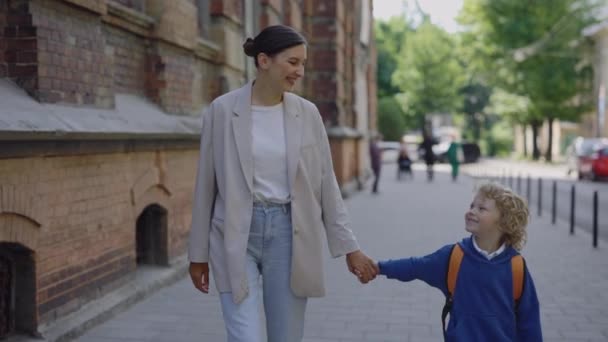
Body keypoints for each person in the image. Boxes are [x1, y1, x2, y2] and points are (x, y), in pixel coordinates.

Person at [187, 25, 377, 342]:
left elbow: (326, 185)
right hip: (236, 233)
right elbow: (206, 185)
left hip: (289, 234)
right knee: (245, 337)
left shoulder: (308, 114)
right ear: (264, 60)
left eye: (302, 63)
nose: (299, 72)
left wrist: (350, 248)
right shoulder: (222, 110)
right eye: (292, 62)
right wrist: (198, 254)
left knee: (285, 336)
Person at [372, 181, 542, 341]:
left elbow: (529, 321)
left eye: (481, 208)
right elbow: (415, 266)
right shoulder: (454, 257)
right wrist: (379, 267)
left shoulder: (516, 267)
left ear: (504, 222)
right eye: (472, 206)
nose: (472, 211)